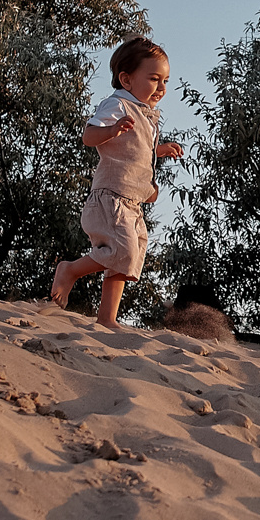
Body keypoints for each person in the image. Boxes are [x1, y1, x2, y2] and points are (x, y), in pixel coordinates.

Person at [51, 36, 183, 326]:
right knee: (122, 250)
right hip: (111, 196)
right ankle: (70, 270)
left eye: (165, 81)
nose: (161, 88)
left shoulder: (148, 117)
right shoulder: (118, 105)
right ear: (126, 79)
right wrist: (111, 130)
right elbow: (89, 136)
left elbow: (138, 151)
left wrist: (159, 150)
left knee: (129, 259)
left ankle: (107, 319)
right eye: (153, 78)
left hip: (132, 201)